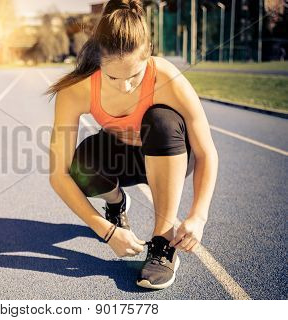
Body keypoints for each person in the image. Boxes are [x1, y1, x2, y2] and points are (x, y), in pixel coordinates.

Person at [45, 0, 218, 290]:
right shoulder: (76, 90)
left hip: (169, 154)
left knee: (161, 119)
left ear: (148, 55)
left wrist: (198, 216)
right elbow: (58, 175)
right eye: (113, 76)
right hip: (121, 161)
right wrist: (107, 231)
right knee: (82, 163)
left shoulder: (167, 78)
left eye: (135, 76)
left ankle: (163, 241)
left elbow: (206, 152)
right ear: (99, 60)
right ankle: (116, 203)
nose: (125, 86)